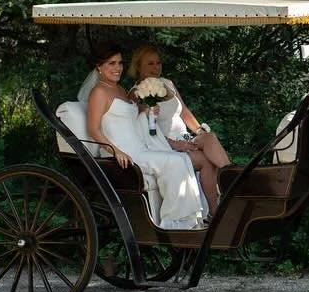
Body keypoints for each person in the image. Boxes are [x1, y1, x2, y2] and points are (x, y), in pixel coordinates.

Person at [80, 42, 206, 230]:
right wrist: (114, 150)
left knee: (180, 160)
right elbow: (93, 129)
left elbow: (130, 118)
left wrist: (146, 110)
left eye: (120, 63)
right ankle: (174, 222)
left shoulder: (121, 90)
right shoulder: (99, 92)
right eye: (111, 63)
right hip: (121, 152)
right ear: (99, 67)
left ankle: (187, 219)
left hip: (138, 147)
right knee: (176, 162)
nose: (117, 68)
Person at [127, 44, 231, 207]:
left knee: (209, 137)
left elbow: (183, 111)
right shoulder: (136, 93)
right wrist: (176, 145)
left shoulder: (167, 83)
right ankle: (215, 209)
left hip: (184, 137)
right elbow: (143, 131)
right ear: (138, 67)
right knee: (206, 159)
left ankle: (233, 179)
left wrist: (198, 130)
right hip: (163, 145)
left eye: (158, 62)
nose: (156, 68)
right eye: (150, 63)